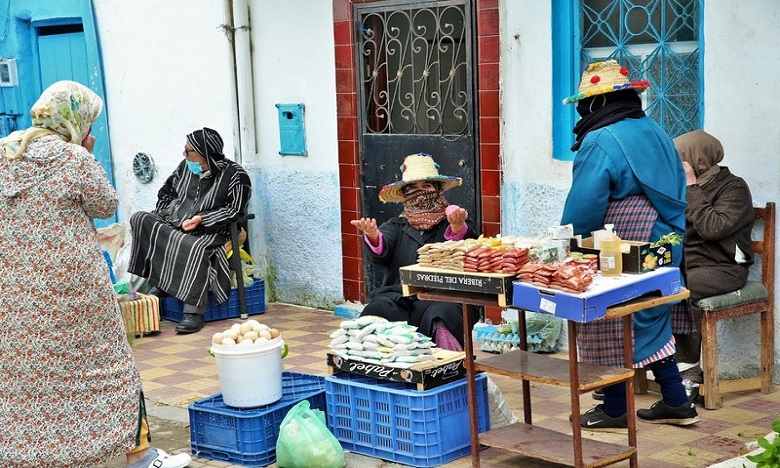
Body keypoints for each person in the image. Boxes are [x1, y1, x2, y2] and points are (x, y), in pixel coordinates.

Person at [0, 81, 190, 467]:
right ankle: (140, 456)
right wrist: (84, 153)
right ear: (76, 120)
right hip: (75, 294)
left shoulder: (6, 152)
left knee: (28, 378)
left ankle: (30, 457)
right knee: (110, 370)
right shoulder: (72, 157)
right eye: (90, 123)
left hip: (16, 294)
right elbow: (105, 204)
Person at [560, 60, 699, 430]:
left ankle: (615, 408)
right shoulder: (654, 129)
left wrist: (571, 243)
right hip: (665, 236)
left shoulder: (600, 139)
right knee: (649, 312)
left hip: (624, 238)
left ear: (596, 102)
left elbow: (586, 203)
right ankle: (676, 401)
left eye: (585, 103)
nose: (582, 110)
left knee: (607, 313)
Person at [128, 127, 252, 334]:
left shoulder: (236, 175)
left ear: (204, 153)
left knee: (195, 248)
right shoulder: (184, 167)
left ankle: (193, 312)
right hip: (176, 222)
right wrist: (169, 214)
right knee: (140, 219)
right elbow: (165, 193)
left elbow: (235, 210)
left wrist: (202, 219)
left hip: (210, 231)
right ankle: (160, 283)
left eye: (188, 150)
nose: (183, 154)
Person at [350, 153, 479, 351]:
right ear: (405, 194)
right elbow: (381, 250)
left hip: (444, 296)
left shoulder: (457, 219)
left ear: (438, 189)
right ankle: (378, 364)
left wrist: (456, 226)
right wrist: (373, 235)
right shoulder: (396, 225)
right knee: (377, 309)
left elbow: (467, 244)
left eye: (426, 186)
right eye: (412, 188)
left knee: (444, 315)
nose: (420, 192)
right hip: (399, 296)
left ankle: (449, 363)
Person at [671, 130, 755, 383]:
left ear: (697, 160)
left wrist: (691, 186)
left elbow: (713, 228)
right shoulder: (680, 187)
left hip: (724, 268)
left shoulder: (734, 187)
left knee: (680, 289)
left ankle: (688, 373)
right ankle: (641, 368)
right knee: (641, 286)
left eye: (679, 158)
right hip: (687, 265)